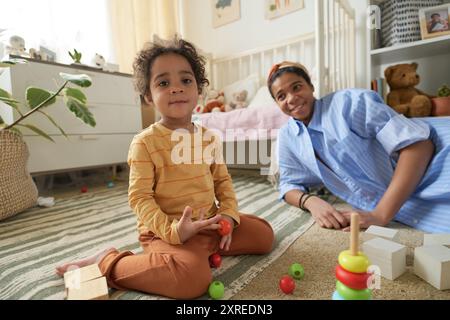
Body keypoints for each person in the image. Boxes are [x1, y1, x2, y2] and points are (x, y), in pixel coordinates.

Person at [55, 38, 274, 299]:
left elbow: (223, 183)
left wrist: (227, 216)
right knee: (192, 280)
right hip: (164, 232)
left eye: (186, 80)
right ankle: (107, 260)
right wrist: (174, 232)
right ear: (148, 96)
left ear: (198, 90)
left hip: (210, 225)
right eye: (163, 83)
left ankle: (200, 250)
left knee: (264, 235)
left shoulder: (209, 138)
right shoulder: (145, 143)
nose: (176, 89)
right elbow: (139, 198)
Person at [268, 61, 450, 233]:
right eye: (281, 96)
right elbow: (288, 184)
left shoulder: (350, 102)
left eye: (297, 87)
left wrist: (380, 214)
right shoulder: (287, 136)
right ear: (276, 104)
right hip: (405, 198)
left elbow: (419, 146)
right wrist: (310, 201)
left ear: (311, 86)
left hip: (437, 158)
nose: (291, 98)